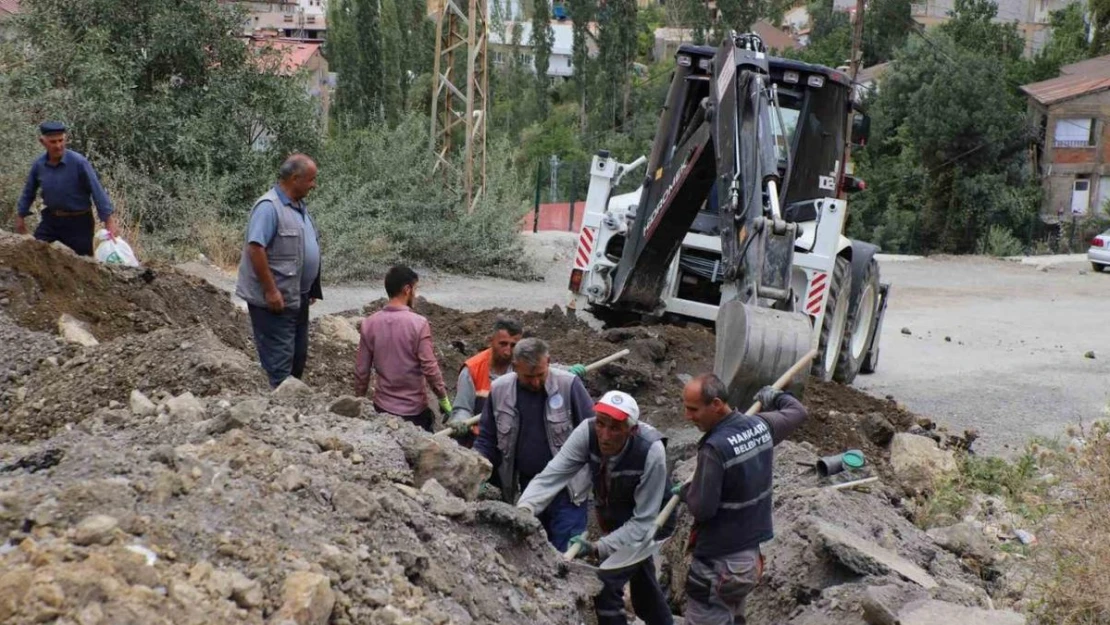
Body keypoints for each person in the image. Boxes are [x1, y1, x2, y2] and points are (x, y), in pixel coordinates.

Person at [517, 391, 673, 625]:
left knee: (606, 582)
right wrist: (524, 510)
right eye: (601, 424)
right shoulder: (587, 432)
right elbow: (552, 476)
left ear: (632, 430)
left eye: (615, 428)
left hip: (653, 521)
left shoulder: (651, 451)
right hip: (617, 517)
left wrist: (597, 548)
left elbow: (643, 522)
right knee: (643, 587)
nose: (605, 435)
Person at [679, 374, 808, 625]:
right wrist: (776, 396)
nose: (688, 416)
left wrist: (687, 492)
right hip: (746, 563)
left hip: (717, 563)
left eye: (693, 409)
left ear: (716, 404)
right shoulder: (760, 427)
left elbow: (702, 509)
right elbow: (798, 412)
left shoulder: (715, 449)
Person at [473, 337, 593, 551]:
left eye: (540, 375)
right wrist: (476, 468)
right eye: (529, 377)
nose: (536, 382)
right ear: (515, 367)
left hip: (568, 489)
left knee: (564, 553)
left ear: (548, 361)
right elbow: (487, 439)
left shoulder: (569, 386)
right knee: (533, 554)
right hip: (526, 488)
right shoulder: (500, 390)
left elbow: (594, 436)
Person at [235, 154, 323, 389]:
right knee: (279, 365)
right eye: (311, 179)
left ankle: (291, 411)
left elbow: (302, 250)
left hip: (297, 298)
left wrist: (311, 286)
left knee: (297, 358)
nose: (314, 185)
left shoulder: (298, 207)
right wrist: (271, 290)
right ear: (295, 178)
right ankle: (280, 414)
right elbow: (255, 248)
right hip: (276, 302)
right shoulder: (269, 207)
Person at [354, 265, 451, 432]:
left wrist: (358, 401)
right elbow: (430, 368)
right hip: (414, 413)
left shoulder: (369, 323)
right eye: (415, 289)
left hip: (382, 410)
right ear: (407, 289)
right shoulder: (418, 324)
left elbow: (361, 371)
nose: (416, 294)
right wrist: (443, 398)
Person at [15, 121, 118, 256]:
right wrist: (20, 216)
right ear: (42, 142)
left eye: (61, 140)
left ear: (66, 139)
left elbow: (97, 191)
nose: (58, 146)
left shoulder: (79, 162)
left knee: (83, 265)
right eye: (53, 142)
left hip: (79, 224)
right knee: (36, 252)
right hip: (51, 220)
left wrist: (108, 221)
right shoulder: (39, 165)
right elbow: (29, 192)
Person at [447, 317, 524, 447]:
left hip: (512, 439)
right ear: (491, 341)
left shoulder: (523, 367)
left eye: (513, 345)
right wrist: (460, 421)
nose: (507, 351)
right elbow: (463, 407)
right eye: (503, 344)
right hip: (480, 440)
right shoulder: (472, 369)